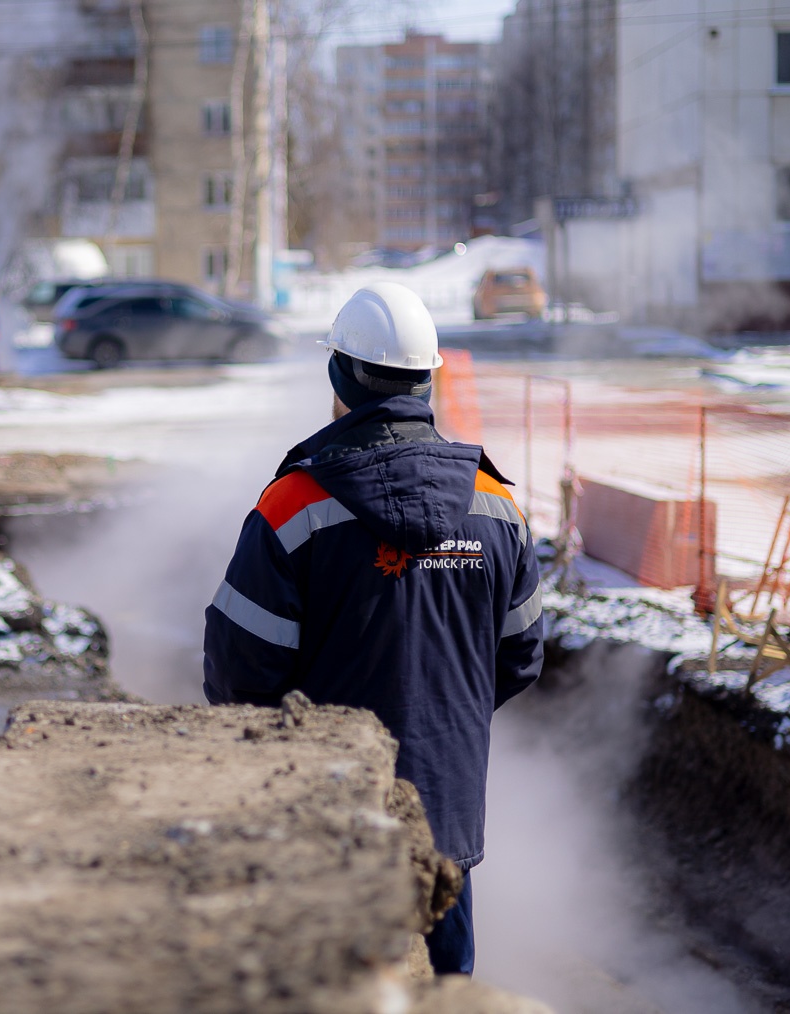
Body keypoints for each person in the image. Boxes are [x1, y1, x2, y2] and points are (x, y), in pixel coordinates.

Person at [201, 281, 544, 976]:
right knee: (447, 989)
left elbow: (238, 672)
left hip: (324, 818)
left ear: (340, 376)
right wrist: (444, 717)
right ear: (427, 381)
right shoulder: (499, 506)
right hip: (446, 818)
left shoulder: (291, 506)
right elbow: (520, 660)